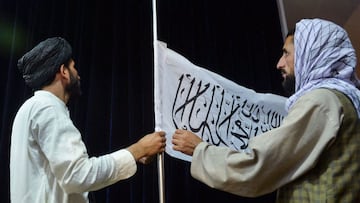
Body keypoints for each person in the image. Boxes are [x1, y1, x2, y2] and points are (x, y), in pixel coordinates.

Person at [172, 18, 360, 202]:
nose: (279, 64)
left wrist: (200, 151)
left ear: (309, 53)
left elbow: (262, 163)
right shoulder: (345, 100)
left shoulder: (322, 100)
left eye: (286, 54)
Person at [10, 37, 166, 203]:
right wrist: (138, 149)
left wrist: (135, 155)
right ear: (63, 71)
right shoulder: (48, 108)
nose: (78, 74)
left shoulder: (29, 108)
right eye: (73, 67)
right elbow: (78, 175)